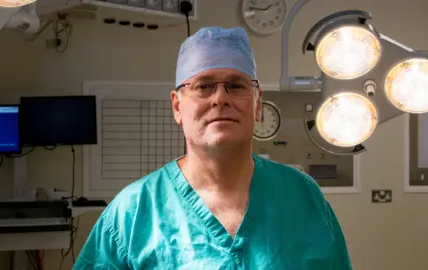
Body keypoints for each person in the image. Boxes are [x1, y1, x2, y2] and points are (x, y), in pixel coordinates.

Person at [74, 26, 352, 270]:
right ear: (177, 106)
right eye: (203, 86)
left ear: (257, 104)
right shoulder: (133, 213)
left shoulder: (303, 198)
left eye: (236, 85)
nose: (220, 98)